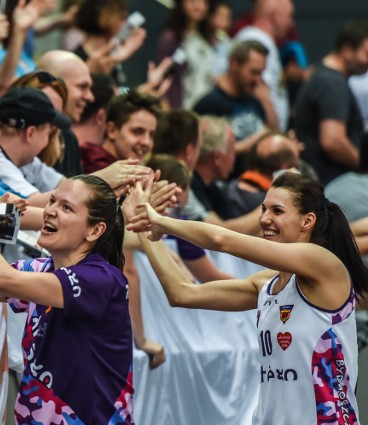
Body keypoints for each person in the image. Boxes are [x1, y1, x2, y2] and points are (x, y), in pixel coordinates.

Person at [0, 123, 134, 422]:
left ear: (95, 231)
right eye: (51, 201)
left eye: (67, 208)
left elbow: (1, 277)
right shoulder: (42, 268)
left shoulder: (100, 279)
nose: (49, 211)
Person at [126, 171, 367, 425]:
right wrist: (142, 224)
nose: (265, 219)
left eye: (277, 211)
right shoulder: (267, 284)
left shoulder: (324, 264)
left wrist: (159, 221)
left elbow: (221, 239)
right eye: (263, 210)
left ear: (307, 221)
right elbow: (182, 292)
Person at [293, 20, 368, 186]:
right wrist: (363, 166)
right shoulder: (332, 83)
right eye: (366, 53)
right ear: (348, 50)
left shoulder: (321, 72)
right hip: (331, 184)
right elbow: (333, 142)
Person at [233, 0, 293, 131]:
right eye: (289, 16)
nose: (291, 23)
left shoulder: (264, 41)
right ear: (275, 16)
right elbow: (257, 93)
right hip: (255, 135)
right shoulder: (255, 41)